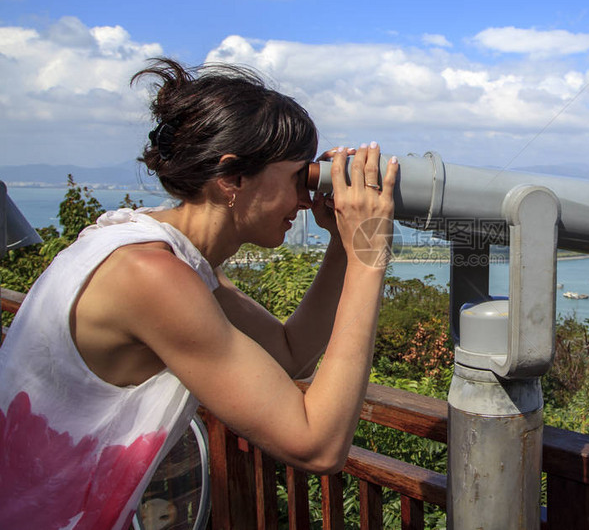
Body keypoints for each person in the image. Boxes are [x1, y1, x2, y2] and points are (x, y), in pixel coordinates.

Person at [0, 57, 399, 529]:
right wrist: (369, 254)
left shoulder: (173, 258)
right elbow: (317, 445)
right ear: (231, 177)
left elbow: (289, 356)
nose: (304, 198)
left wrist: (341, 245)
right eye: (298, 178)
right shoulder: (151, 276)